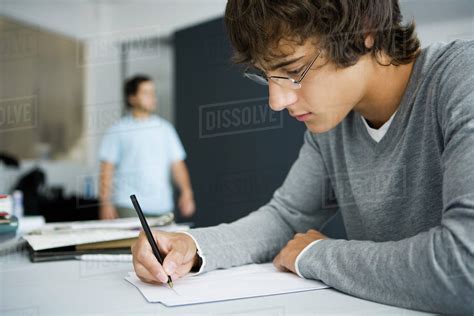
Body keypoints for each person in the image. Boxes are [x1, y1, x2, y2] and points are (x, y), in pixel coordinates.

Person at [131, 1, 473, 313]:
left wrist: (317, 255)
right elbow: (287, 217)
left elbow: (464, 266)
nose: (276, 102)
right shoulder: (335, 125)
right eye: (266, 76)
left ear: (365, 33)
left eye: (293, 70)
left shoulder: (462, 79)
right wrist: (192, 245)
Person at [99, 75, 195, 219]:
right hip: (129, 205)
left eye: (153, 93)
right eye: (146, 93)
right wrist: (106, 204)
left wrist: (187, 193)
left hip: (162, 206)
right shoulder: (118, 130)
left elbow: (177, 165)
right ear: (132, 98)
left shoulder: (165, 129)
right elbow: (107, 169)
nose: (152, 97)